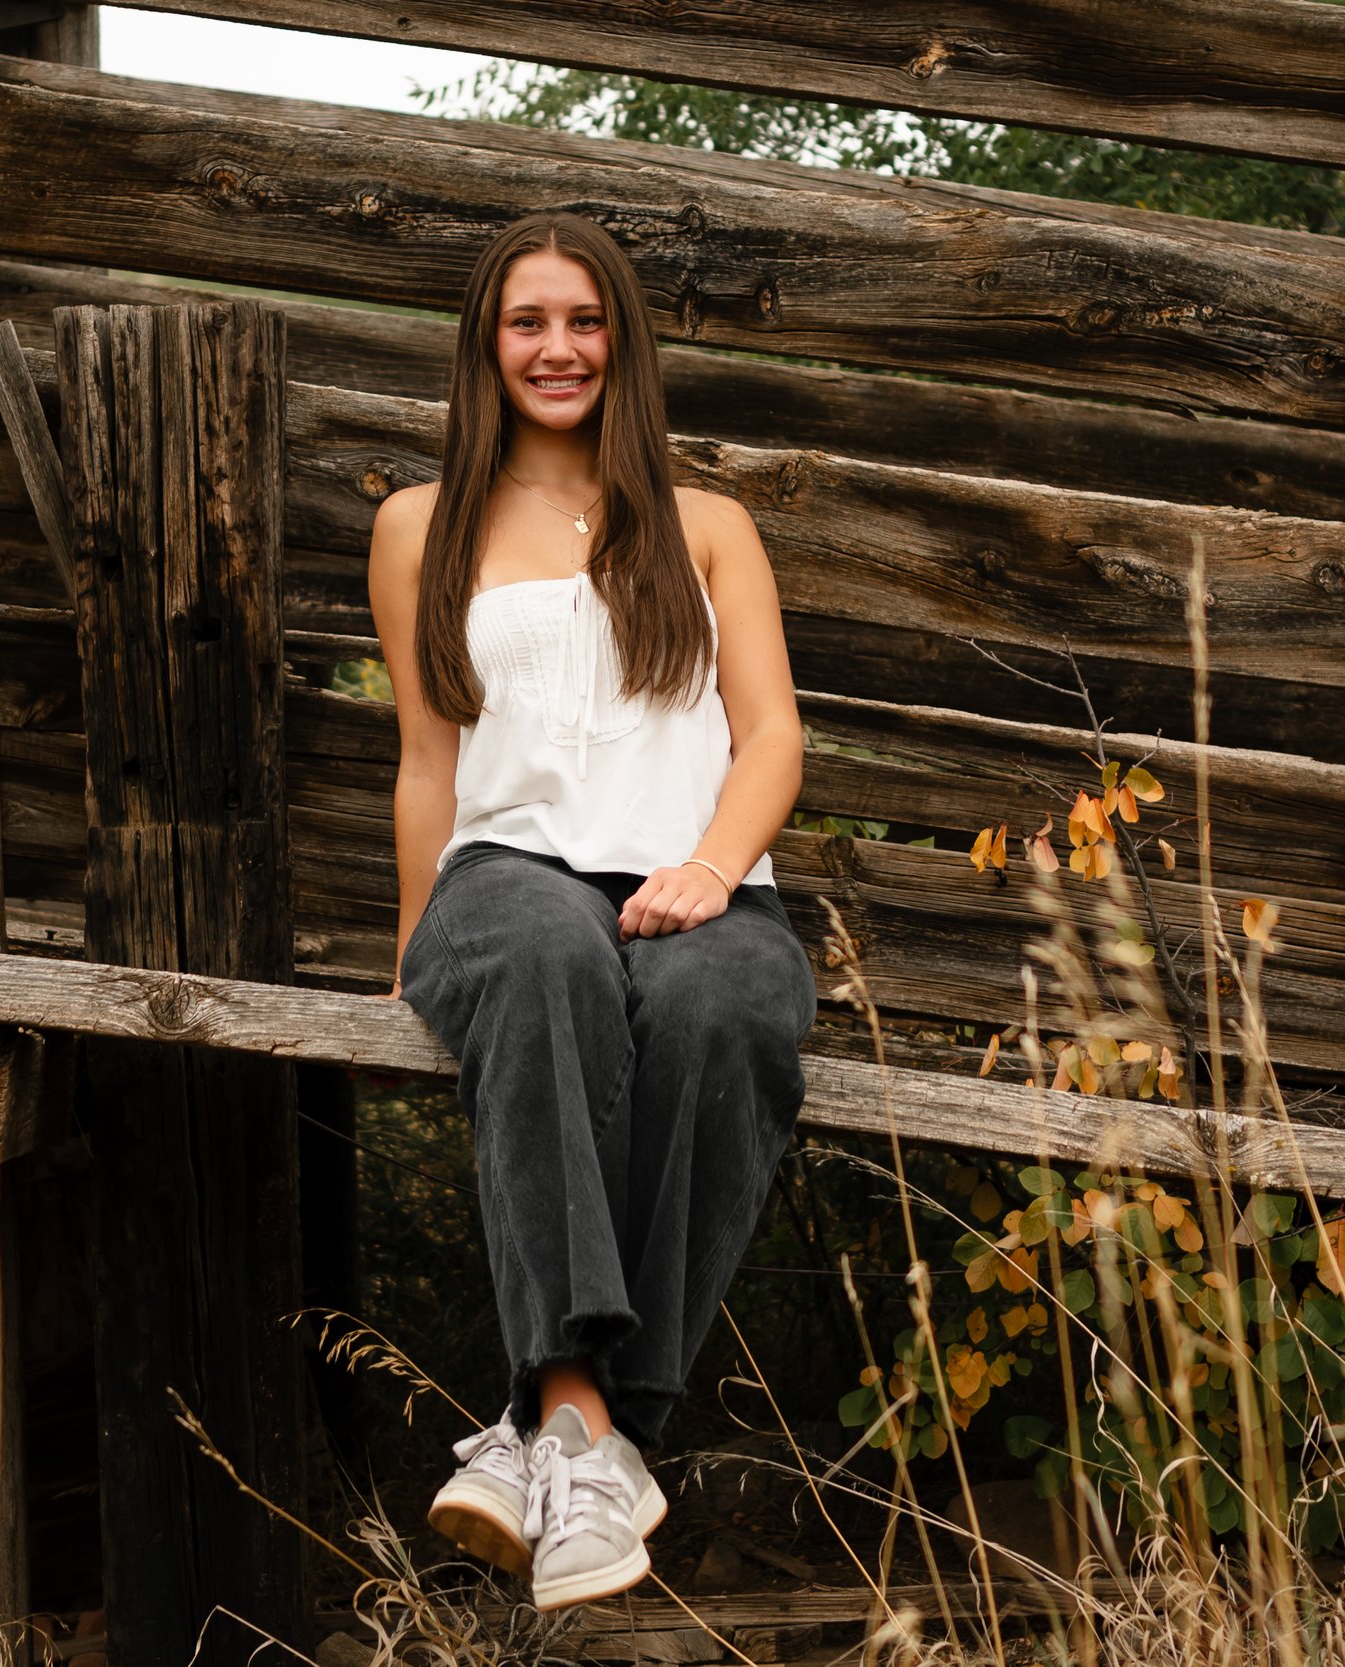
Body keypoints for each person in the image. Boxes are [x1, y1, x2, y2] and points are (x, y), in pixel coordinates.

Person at [365, 210, 818, 1611]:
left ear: (620, 338)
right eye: (526, 322)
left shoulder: (707, 527)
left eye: (582, 319)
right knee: (553, 951)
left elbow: (773, 737)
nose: (556, 348)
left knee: (728, 1000)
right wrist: (412, 955)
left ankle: (555, 1446)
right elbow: (429, 763)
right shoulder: (416, 527)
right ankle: (582, 1405)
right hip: (507, 886)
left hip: (697, 878)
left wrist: (711, 867)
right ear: (485, 347)